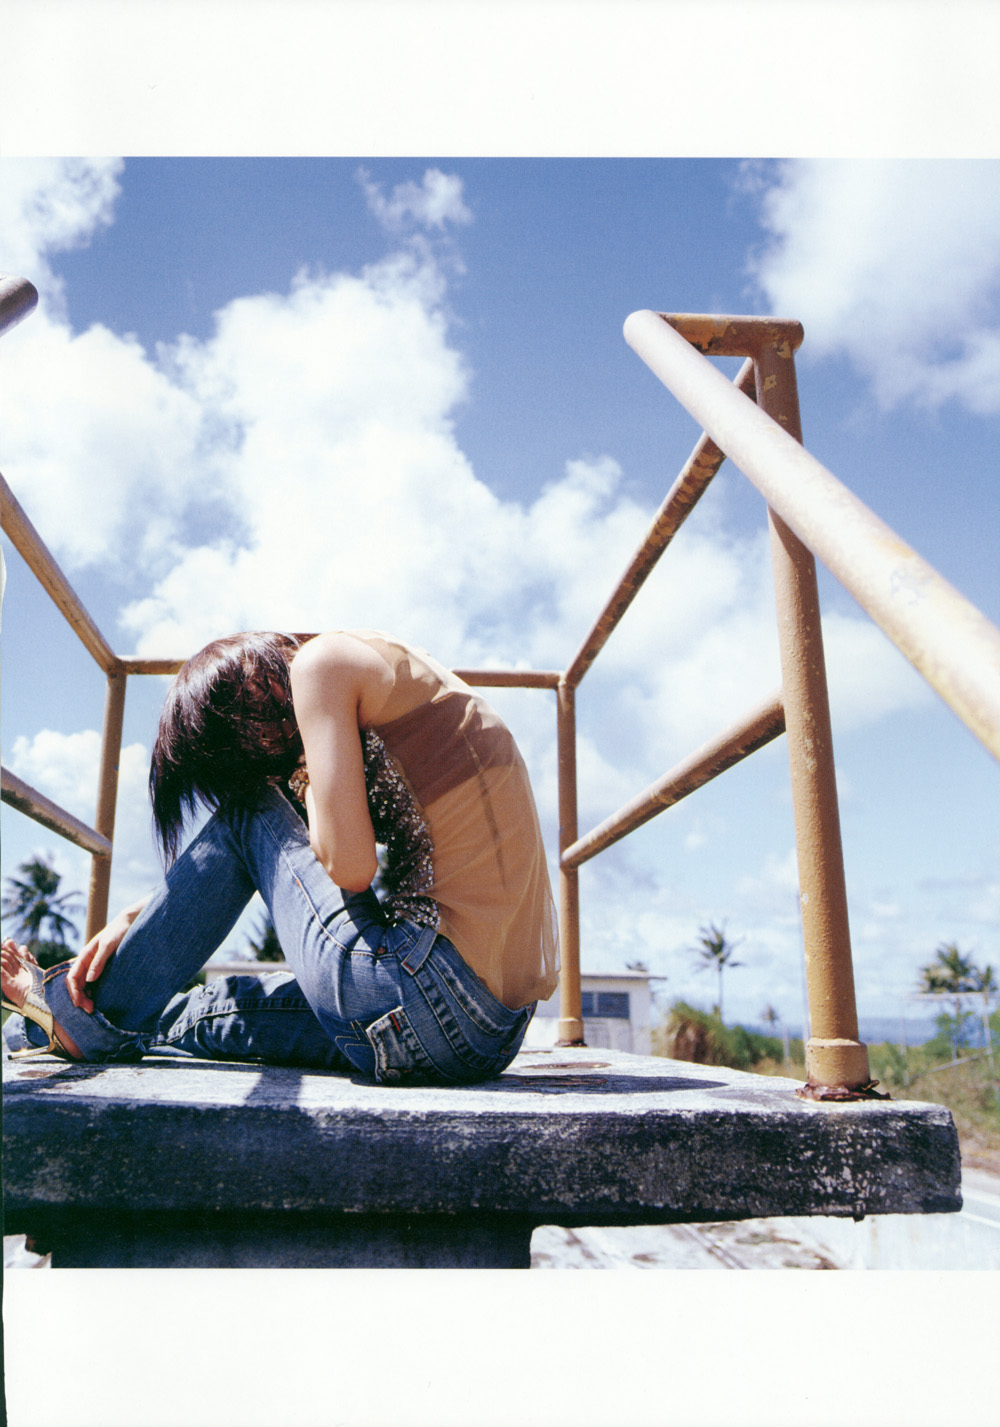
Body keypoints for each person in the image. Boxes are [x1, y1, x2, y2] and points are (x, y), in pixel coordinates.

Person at [2, 629, 558, 1084]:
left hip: (424, 994)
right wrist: (134, 917)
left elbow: (351, 868)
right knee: (222, 1007)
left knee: (249, 810)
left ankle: (79, 1019)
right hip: (483, 1036)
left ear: (245, 692)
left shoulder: (320, 666)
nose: (260, 756)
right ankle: (64, 1023)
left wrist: (293, 774)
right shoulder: (392, 673)